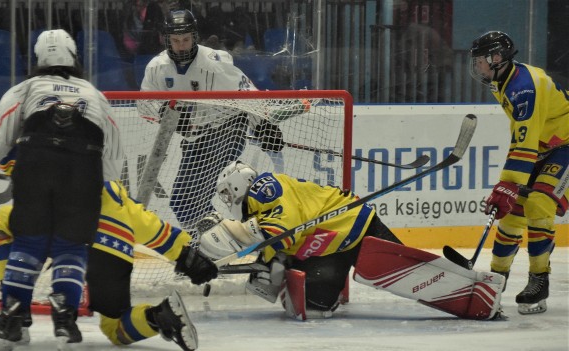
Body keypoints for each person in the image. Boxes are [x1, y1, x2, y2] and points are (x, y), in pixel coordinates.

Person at [0, 29, 124, 350]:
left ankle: (14, 314)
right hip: (84, 167)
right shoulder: (94, 95)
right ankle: (65, 317)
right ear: (74, 57)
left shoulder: (25, 88)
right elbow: (113, 156)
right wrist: (101, 193)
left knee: (29, 241)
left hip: (35, 162)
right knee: (71, 245)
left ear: (35, 60)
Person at [196, 161, 506, 321]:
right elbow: (280, 239)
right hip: (328, 248)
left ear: (238, 185)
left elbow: (283, 227)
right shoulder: (258, 209)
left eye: (226, 193)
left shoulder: (263, 187)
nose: (226, 200)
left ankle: (471, 284)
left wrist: (234, 235)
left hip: (353, 226)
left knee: (410, 269)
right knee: (313, 309)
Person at [0, 180, 218, 351]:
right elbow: (149, 226)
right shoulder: (115, 195)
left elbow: (8, 219)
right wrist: (185, 255)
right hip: (114, 244)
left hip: (65, 237)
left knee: (4, 220)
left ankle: (15, 309)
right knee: (116, 328)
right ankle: (160, 315)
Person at [139, 9, 285, 233]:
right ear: (166, 39)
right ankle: (213, 242)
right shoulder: (156, 68)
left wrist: (263, 126)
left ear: (194, 37)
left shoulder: (214, 62)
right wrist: (168, 117)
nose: (181, 45)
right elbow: (145, 104)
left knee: (194, 198)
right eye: (175, 40)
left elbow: (246, 92)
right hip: (195, 140)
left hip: (227, 128)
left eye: (185, 39)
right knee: (181, 203)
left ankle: (212, 244)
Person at [469, 31, 569, 315]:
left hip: (566, 145)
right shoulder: (502, 81)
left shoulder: (524, 87)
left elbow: (524, 142)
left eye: (480, 61)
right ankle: (496, 280)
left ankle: (540, 280)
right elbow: (523, 136)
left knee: (539, 203)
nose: (477, 67)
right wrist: (508, 187)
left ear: (496, 58)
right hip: (545, 146)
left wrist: (508, 184)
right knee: (511, 213)